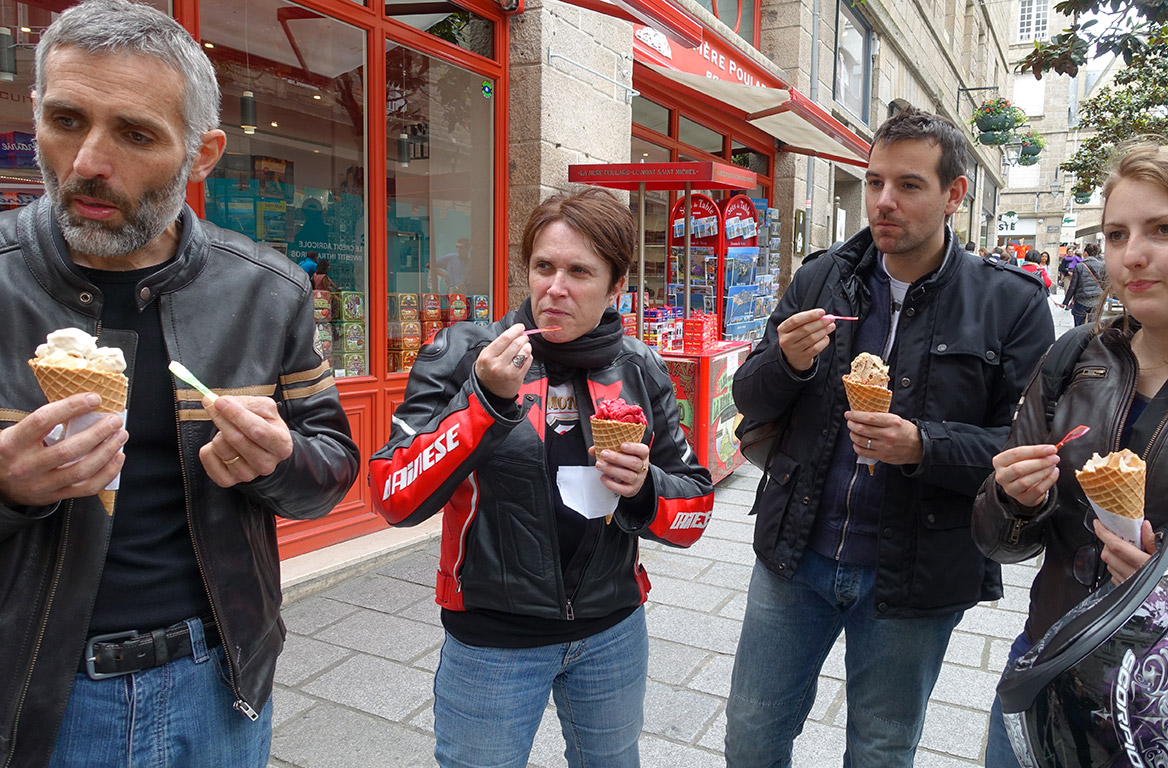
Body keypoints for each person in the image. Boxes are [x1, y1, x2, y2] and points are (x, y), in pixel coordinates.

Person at [0, 2, 360, 767]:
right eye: (66, 119)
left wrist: (280, 459)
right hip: (31, 691)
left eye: (135, 134)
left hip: (220, 682)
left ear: (203, 154)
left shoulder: (267, 291)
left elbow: (331, 469)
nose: (89, 161)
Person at [724, 105, 1055, 767]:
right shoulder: (823, 277)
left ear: (954, 194)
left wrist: (923, 445)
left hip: (915, 575)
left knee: (881, 746)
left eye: (908, 185)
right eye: (875, 182)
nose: (882, 201)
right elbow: (749, 400)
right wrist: (784, 361)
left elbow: (1026, 450)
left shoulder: (1010, 303)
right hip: (797, 553)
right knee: (753, 733)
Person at [370, 188, 714, 768]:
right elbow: (393, 494)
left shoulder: (641, 367)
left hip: (612, 630)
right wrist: (482, 402)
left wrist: (646, 488)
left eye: (580, 271)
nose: (555, 288)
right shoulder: (465, 352)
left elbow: (695, 508)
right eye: (543, 267)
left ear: (617, 287)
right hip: (492, 639)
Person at [973, 144, 1168, 767]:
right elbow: (999, 543)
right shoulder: (1076, 356)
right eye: (1117, 234)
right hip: (1052, 673)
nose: (1130, 255)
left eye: (1164, 229)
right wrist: (1011, 499)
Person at [1062, 241, 1105, 325]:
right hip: (1097, 300)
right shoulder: (1102, 266)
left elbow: (1073, 286)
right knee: (1093, 326)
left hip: (1081, 300)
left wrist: (1065, 302)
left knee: (1079, 327)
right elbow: (1105, 283)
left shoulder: (1080, 266)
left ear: (1085, 253)